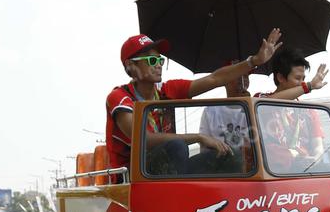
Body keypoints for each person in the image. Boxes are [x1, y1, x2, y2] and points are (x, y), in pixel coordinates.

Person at [105, 29, 283, 178]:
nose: (158, 65)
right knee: (177, 146)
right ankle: (179, 202)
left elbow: (215, 78)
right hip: (132, 176)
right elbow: (144, 139)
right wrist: (198, 137)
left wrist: (254, 61)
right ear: (131, 66)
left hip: (168, 169)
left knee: (230, 155)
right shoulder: (119, 97)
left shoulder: (167, 90)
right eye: (152, 60)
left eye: (160, 60)